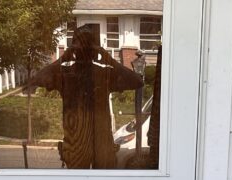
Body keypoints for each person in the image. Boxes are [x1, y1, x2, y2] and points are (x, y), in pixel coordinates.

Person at [24, 26, 143, 169]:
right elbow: (36, 80)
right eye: (81, 47)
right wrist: (63, 58)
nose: (84, 51)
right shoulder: (67, 75)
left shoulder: (103, 74)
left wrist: (109, 60)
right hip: (77, 144)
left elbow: (137, 82)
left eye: (87, 47)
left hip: (99, 145)